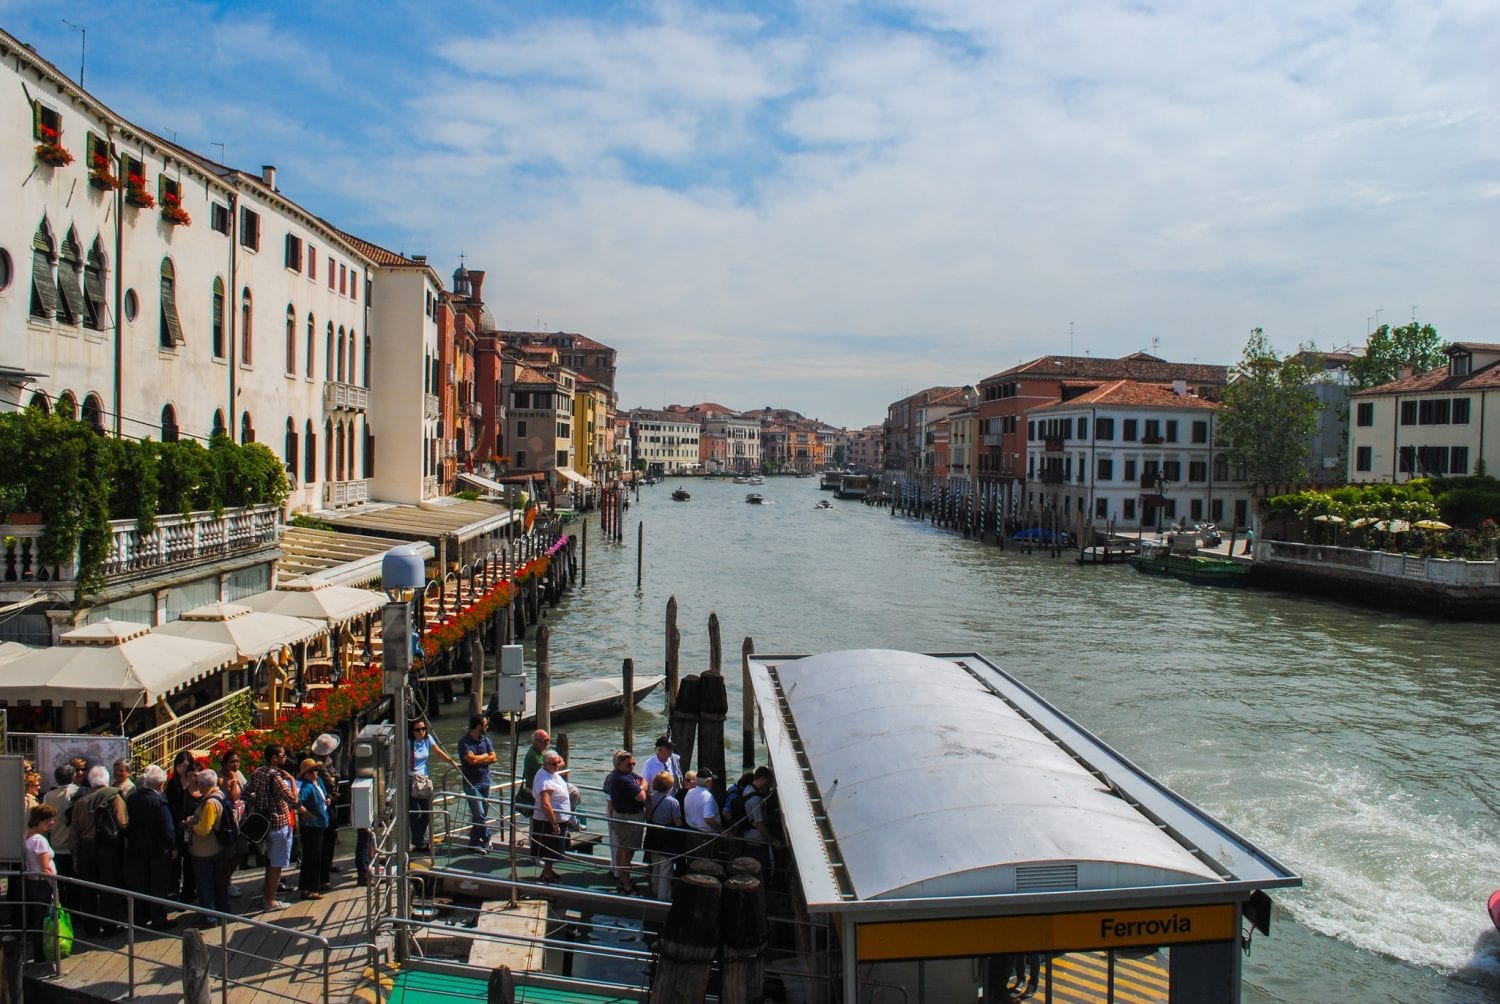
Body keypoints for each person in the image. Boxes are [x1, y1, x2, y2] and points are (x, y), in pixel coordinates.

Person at [71, 764, 128, 935]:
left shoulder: (80, 801)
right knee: (108, 888)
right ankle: (109, 926)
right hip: (108, 848)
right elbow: (122, 822)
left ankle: (91, 926)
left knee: (88, 888)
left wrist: (75, 854)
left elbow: (74, 830)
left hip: (86, 848)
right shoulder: (114, 796)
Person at [124, 764, 177, 929]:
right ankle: (158, 918)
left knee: (141, 884)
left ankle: (140, 917)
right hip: (157, 850)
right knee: (158, 886)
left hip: (138, 849)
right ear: (161, 784)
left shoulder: (133, 798)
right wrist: (173, 846)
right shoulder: (159, 801)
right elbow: (168, 829)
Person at [246, 744, 299, 911]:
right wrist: (291, 780)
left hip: (264, 822)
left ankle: (268, 896)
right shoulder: (276, 778)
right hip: (278, 823)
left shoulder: (258, 772)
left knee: (270, 862)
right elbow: (293, 800)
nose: (285, 757)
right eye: (282, 754)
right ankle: (270, 900)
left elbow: (245, 792)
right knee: (276, 865)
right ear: (274, 758)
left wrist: (260, 800)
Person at [187, 769, 230, 924]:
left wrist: (191, 826)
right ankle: (223, 910)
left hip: (205, 849)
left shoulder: (211, 802)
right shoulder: (220, 794)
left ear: (204, 785)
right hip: (217, 847)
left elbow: (204, 829)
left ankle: (210, 917)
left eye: (198, 783)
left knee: (205, 884)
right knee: (218, 881)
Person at [408, 718, 457, 853]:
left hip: (424, 780)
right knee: (414, 812)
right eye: (418, 730)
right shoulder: (408, 743)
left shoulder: (428, 739)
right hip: (410, 780)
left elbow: (438, 751)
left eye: (423, 729)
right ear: (412, 731)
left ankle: (418, 838)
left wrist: (452, 763)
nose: (421, 732)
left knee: (428, 812)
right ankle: (418, 841)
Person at [603, 750, 646, 894]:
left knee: (622, 849)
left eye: (634, 764)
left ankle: (622, 878)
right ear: (619, 764)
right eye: (629, 764)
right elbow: (641, 797)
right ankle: (626, 883)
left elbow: (642, 779)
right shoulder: (621, 779)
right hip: (628, 819)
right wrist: (642, 787)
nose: (632, 767)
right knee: (627, 852)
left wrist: (642, 784)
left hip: (624, 817)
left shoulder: (626, 774)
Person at [22, 803, 58, 963]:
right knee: (42, 920)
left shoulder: (26, 835)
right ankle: (40, 954)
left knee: (38, 919)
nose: (52, 823)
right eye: (49, 820)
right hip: (42, 884)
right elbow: (45, 868)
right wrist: (54, 889)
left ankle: (38, 952)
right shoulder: (39, 841)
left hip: (32, 883)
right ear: (39, 820)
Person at [530, 751, 573, 883]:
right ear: (545, 763)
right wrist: (554, 824)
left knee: (555, 850)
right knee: (550, 850)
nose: (556, 765)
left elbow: (559, 762)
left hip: (559, 820)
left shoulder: (552, 772)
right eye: (553, 764)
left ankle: (548, 870)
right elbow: (546, 804)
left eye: (557, 763)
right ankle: (547, 874)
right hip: (548, 822)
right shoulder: (544, 780)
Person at [457, 714, 497, 852]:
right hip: (471, 783)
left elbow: (493, 758)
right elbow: (471, 761)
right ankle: (487, 839)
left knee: (481, 815)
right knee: (479, 814)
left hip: (486, 780)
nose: (487, 727)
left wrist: (481, 758)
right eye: (485, 725)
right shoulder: (464, 742)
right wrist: (485, 757)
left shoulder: (486, 740)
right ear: (478, 726)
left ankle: (473, 842)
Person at [164, 750, 199, 903]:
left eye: (186, 766)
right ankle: (174, 889)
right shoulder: (173, 783)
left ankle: (188, 892)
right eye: (180, 766)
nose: (183, 769)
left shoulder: (195, 783)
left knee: (190, 862)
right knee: (176, 861)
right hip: (177, 826)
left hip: (192, 829)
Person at [644, 771, 683, 901]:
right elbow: (677, 822)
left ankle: (655, 890)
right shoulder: (673, 802)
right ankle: (663, 897)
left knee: (656, 865)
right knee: (666, 869)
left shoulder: (650, 797)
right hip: (666, 838)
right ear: (669, 786)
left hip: (653, 834)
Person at [295, 758, 330, 900]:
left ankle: (315, 884)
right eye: (311, 771)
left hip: (321, 822)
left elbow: (325, 795)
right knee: (311, 858)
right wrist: (307, 814)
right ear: (305, 774)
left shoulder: (319, 782)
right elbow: (297, 802)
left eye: (316, 770)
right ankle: (309, 889)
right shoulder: (306, 787)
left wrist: (328, 800)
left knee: (317, 856)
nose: (315, 773)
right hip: (311, 826)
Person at [310, 734, 341, 880]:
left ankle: (328, 863)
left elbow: (336, 776)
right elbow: (331, 782)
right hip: (325, 802)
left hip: (330, 799)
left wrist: (335, 778)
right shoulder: (320, 765)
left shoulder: (327, 760)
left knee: (331, 835)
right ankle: (324, 867)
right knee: (327, 836)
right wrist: (335, 778)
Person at [682, 769, 722, 861]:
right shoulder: (708, 797)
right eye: (711, 780)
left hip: (691, 834)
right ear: (708, 781)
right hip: (705, 838)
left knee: (692, 863)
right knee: (705, 866)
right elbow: (708, 818)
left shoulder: (689, 792)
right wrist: (722, 830)